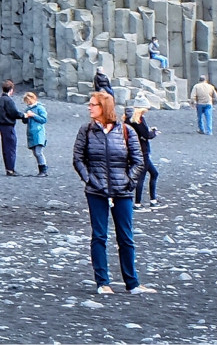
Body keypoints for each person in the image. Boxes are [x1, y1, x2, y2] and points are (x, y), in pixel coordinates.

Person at [72, 90, 149, 295]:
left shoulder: (126, 131)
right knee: (99, 236)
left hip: (122, 191)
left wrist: (128, 182)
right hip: (96, 191)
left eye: (93, 104)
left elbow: (138, 161)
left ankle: (132, 283)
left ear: (104, 107)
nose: (89, 107)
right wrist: (89, 179)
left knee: (126, 237)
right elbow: (78, 159)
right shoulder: (86, 130)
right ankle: (102, 282)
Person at [127, 106, 160, 206]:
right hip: (143, 151)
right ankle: (138, 203)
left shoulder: (127, 120)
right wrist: (154, 132)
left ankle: (152, 200)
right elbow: (146, 135)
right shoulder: (138, 119)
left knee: (154, 173)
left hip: (134, 150)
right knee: (142, 176)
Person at [0, 80, 24, 174]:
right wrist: (24, 116)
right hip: (8, 126)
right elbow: (14, 113)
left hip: (1, 126)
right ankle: (10, 169)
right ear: (11, 90)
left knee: (5, 147)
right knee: (10, 148)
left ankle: (8, 168)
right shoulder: (8, 100)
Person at [21, 91, 49, 175]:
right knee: (35, 152)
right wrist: (25, 116)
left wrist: (33, 115)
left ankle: (43, 169)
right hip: (31, 132)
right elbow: (24, 121)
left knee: (38, 152)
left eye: (29, 101)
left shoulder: (40, 108)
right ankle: (41, 168)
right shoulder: (27, 109)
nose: (28, 103)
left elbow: (44, 120)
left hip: (39, 132)